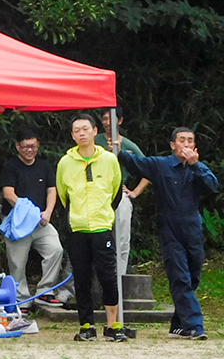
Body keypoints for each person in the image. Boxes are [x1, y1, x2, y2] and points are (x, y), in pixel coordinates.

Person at [118, 128, 218, 339]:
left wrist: (196, 164)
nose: (186, 144)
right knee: (180, 277)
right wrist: (118, 150)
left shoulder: (197, 168)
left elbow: (211, 186)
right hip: (170, 229)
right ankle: (195, 326)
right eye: (182, 140)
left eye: (190, 141)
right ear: (173, 145)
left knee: (193, 277)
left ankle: (178, 325)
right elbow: (135, 163)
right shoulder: (161, 165)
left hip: (193, 229)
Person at [56, 114, 127, 341]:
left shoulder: (109, 159)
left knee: (108, 277)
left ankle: (113, 325)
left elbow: (115, 193)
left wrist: (104, 213)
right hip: (78, 229)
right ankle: (87, 325)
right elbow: (63, 195)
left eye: (85, 129)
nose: (81, 133)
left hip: (102, 227)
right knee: (82, 278)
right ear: (72, 135)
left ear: (95, 131)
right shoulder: (65, 163)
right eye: (77, 130)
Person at [0, 127, 65, 304]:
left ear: (38, 146)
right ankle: (22, 299)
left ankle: (45, 291)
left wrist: (48, 211)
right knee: (17, 262)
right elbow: (8, 194)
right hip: (17, 221)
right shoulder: (11, 166)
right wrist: (27, 211)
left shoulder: (44, 166)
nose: (30, 150)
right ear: (18, 146)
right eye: (26, 146)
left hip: (40, 221)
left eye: (33, 146)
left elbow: (52, 191)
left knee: (55, 249)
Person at [99, 107, 150, 278]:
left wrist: (134, 192)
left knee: (121, 239)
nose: (108, 123)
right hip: (96, 194)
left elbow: (148, 171)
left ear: (120, 121)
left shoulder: (129, 145)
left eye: (112, 119)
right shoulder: (94, 140)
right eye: (104, 119)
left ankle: (119, 280)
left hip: (120, 194)